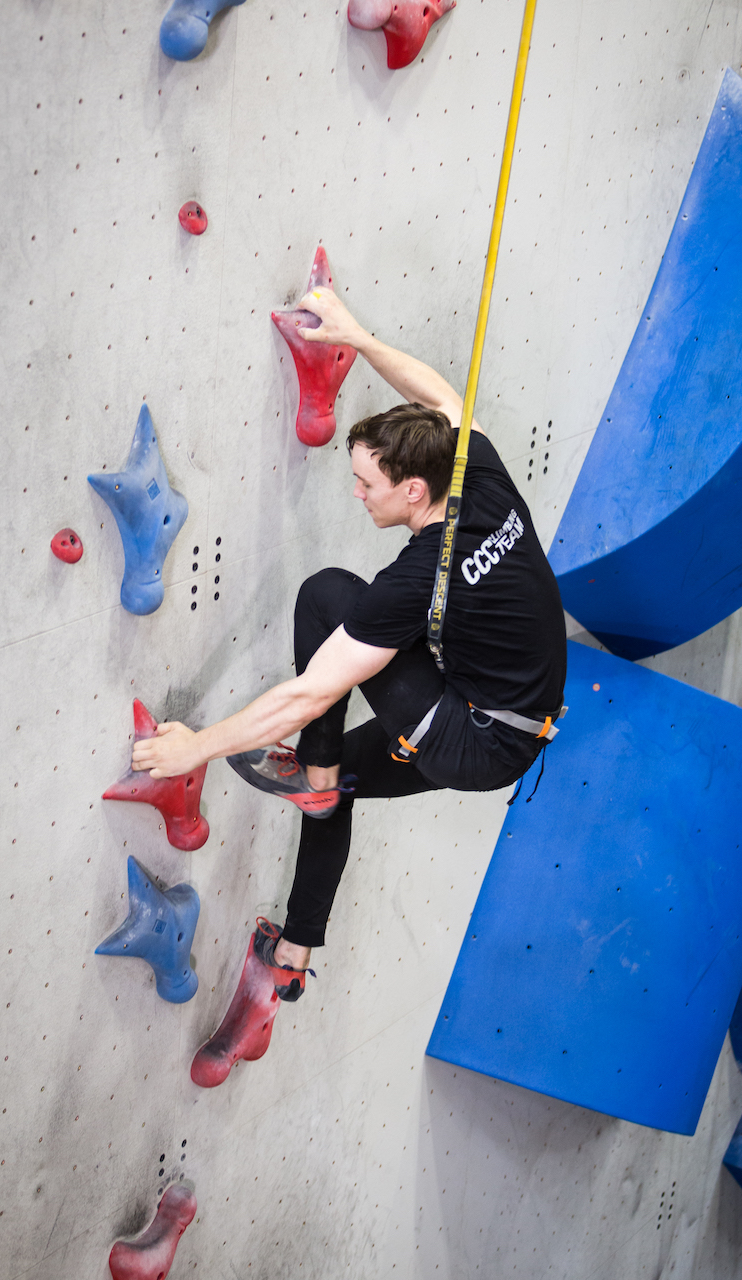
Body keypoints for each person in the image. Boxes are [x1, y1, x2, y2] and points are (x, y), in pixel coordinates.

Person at [132, 287, 567, 1001]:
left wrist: (195, 749)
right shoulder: (474, 469)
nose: (357, 493)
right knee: (331, 790)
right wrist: (357, 337)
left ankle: (319, 772)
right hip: (509, 711)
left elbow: (308, 695)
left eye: (366, 483)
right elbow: (435, 393)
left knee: (328, 595)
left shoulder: (419, 577)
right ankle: (294, 952)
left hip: (478, 737)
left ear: (414, 490)